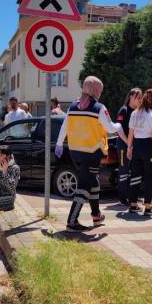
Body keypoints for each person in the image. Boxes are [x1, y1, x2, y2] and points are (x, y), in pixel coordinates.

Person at [55, 76, 123, 232]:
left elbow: (64, 127)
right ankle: (72, 222)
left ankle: (96, 216)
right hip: (92, 153)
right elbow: (110, 128)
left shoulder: (73, 106)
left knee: (93, 183)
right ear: (96, 90)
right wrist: (118, 126)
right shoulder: (99, 107)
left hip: (75, 153)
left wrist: (59, 144)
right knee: (85, 186)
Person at [127, 89, 152, 216]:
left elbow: (131, 133)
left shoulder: (134, 113)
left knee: (135, 176)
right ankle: (148, 207)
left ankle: (132, 205)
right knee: (149, 177)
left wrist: (129, 148)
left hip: (137, 146)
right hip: (149, 147)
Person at [116, 88, 143, 205]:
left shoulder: (139, 112)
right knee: (124, 171)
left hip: (135, 146)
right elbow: (119, 130)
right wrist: (128, 143)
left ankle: (132, 196)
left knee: (134, 171)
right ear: (131, 97)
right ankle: (123, 197)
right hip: (124, 145)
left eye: (141, 98)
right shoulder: (124, 110)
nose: (140, 100)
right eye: (138, 97)